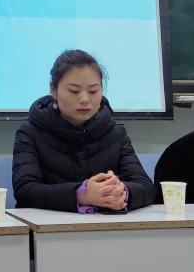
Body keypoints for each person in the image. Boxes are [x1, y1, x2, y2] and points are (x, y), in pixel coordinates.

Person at [12, 50, 153, 213]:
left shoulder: (115, 133)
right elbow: (25, 191)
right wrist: (81, 194)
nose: (85, 99)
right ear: (53, 89)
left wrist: (121, 192)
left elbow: (146, 187)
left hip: (105, 225)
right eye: (74, 91)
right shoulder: (30, 132)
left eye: (93, 91)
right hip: (48, 226)